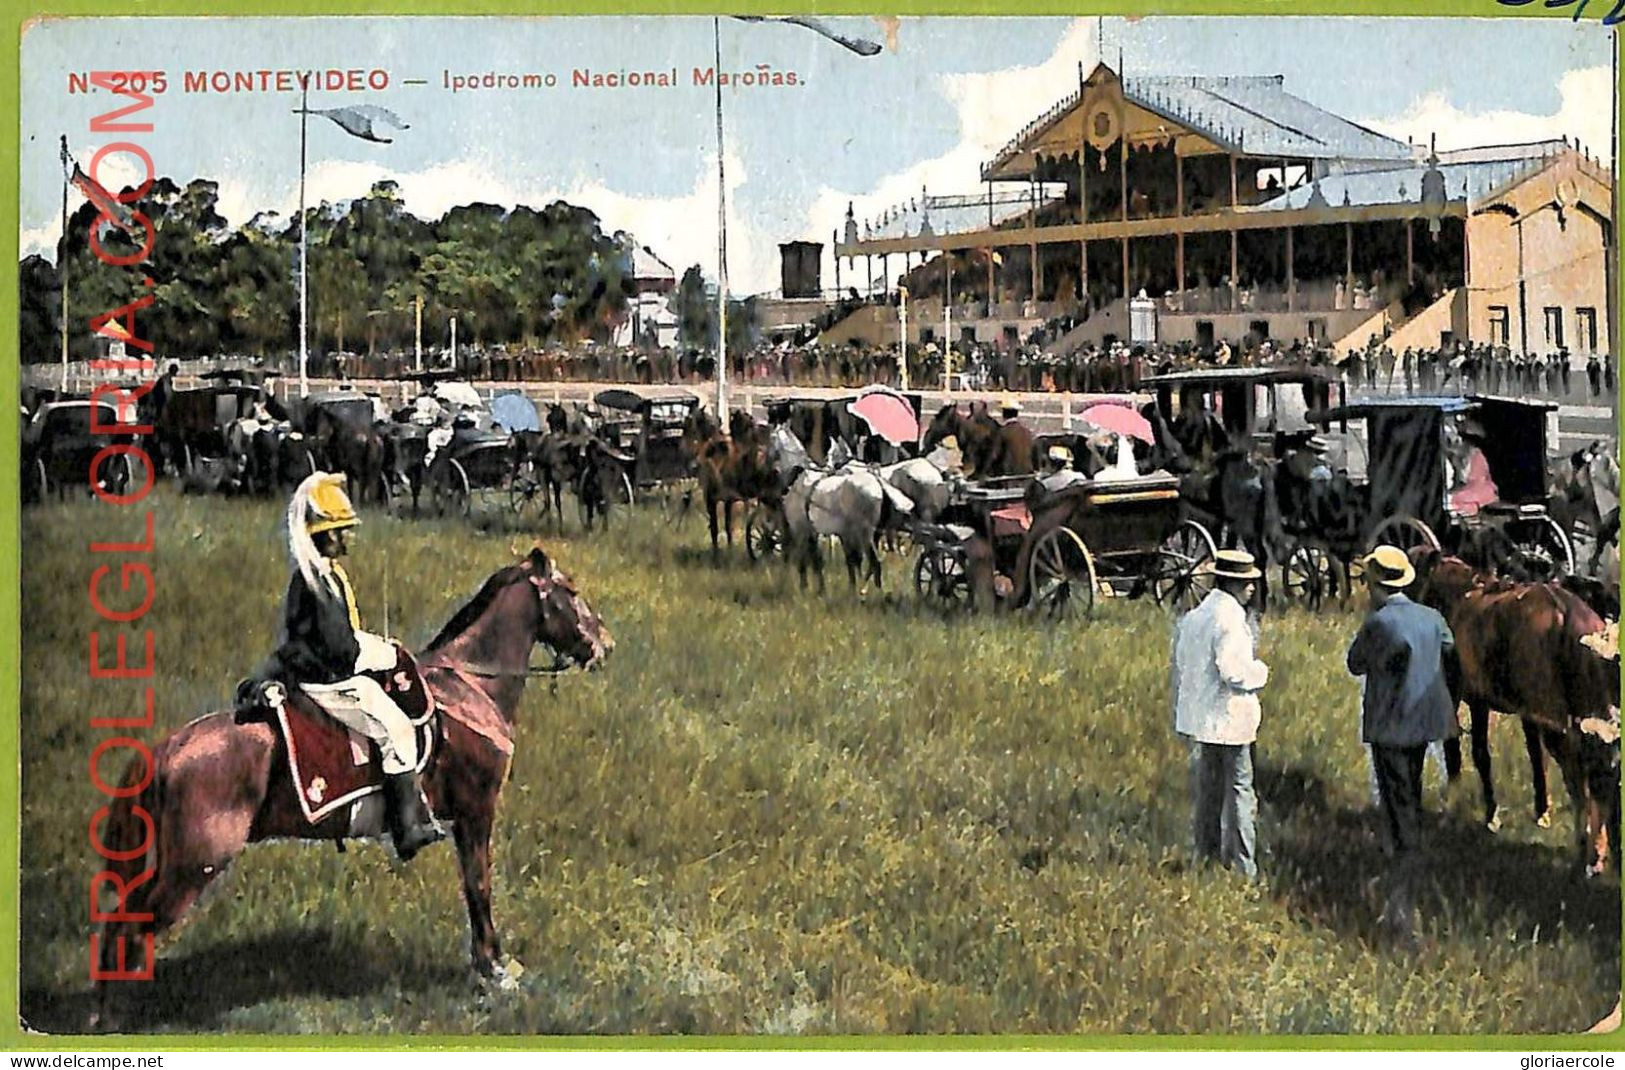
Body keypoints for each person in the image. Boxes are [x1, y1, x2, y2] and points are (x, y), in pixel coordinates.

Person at [276, 472, 446, 861]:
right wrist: (375, 654)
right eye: (342, 530)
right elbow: (339, 648)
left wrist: (379, 647)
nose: (348, 537)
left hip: (329, 666)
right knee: (396, 726)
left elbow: (342, 634)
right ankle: (405, 829)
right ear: (325, 534)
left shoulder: (326, 574)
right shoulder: (315, 580)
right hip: (327, 680)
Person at [1346, 545, 1457, 948]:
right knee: (1409, 789)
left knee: (1399, 807)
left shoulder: (1380, 622)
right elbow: (1448, 647)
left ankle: (1401, 902)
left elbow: (1355, 663)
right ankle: (1405, 857)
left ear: (1376, 585)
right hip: (1423, 724)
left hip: (1390, 726)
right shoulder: (1431, 617)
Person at [1171, 549, 1269, 880]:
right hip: (1231, 719)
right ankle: (1244, 868)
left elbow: (1183, 665)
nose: (1252, 588)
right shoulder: (1230, 621)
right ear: (1233, 584)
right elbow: (1234, 672)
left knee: (1208, 792)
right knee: (1240, 791)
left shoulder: (1196, 616)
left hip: (1202, 720)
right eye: (1247, 582)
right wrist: (1261, 672)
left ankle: (1206, 858)